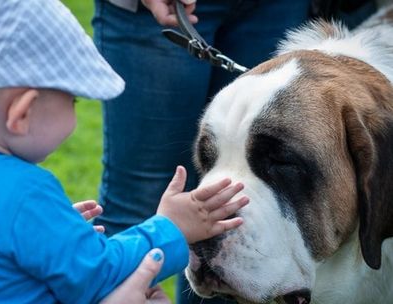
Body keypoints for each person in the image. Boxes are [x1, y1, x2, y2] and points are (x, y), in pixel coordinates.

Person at [0, 0, 232, 303]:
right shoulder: (24, 193)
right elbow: (98, 275)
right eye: (73, 99)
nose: (75, 114)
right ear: (22, 113)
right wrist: (170, 227)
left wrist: (49, 233)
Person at [92, 0, 376, 303]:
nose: (217, 216)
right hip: (157, 11)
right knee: (141, 202)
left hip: (272, 7)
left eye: (280, 164)